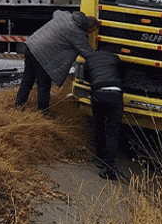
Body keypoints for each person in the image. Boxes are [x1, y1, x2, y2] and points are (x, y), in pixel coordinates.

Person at [14, 10, 98, 114]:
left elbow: (56, 12)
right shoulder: (78, 34)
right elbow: (88, 53)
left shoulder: (66, 16)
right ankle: (43, 113)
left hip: (31, 45)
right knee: (44, 84)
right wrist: (103, 58)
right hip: (42, 55)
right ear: (88, 28)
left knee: (27, 79)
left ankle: (18, 106)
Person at [84, 50, 124, 181]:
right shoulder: (115, 57)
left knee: (98, 124)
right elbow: (121, 74)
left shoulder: (89, 59)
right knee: (112, 132)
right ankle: (109, 168)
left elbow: (86, 77)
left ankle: (98, 157)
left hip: (98, 92)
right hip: (116, 93)